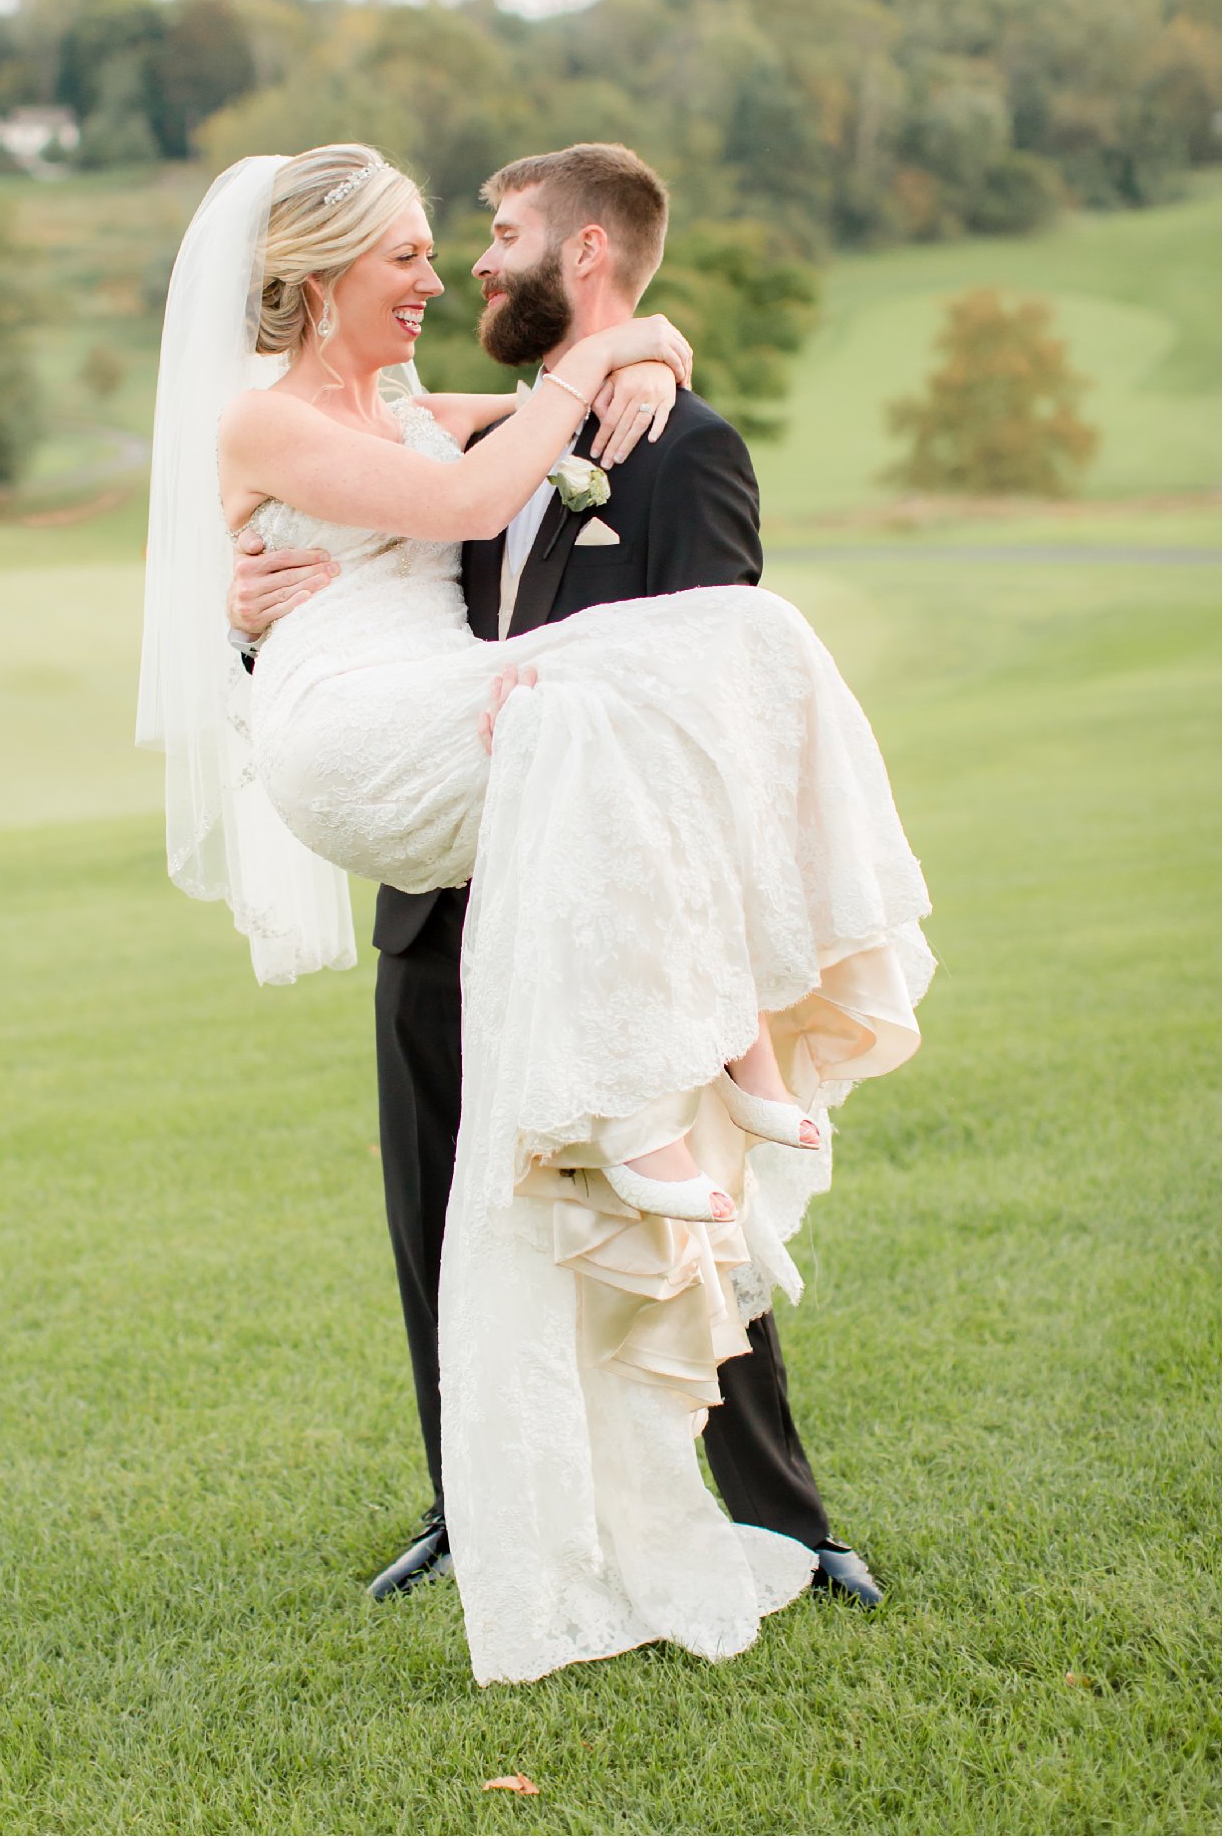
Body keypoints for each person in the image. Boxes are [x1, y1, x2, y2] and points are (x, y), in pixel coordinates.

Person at [138, 143, 933, 1686]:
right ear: (316, 271)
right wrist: (236, 620)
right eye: (420, 253)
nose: (451, 275)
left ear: (577, 250)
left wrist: (650, 347)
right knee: (447, 1221)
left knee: (672, 1212)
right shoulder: (330, 419)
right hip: (434, 848)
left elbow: (690, 691)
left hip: (597, 881)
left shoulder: (643, 442)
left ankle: (778, 1503)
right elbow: (437, 512)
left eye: (476, 243)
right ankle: (474, 1504)